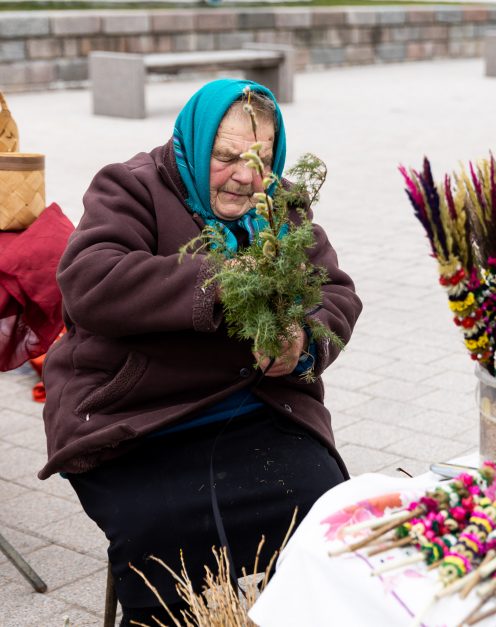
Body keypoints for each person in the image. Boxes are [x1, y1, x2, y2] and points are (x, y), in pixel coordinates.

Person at [39, 79, 362, 626]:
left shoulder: (280, 206)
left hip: (254, 408)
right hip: (136, 415)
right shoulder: (132, 186)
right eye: (227, 155)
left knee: (324, 509)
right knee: (160, 528)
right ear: (195, 141)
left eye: (261, 159)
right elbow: (88, 280)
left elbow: (335, 292)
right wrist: (221, 281)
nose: (245, 175)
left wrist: (302, 342)